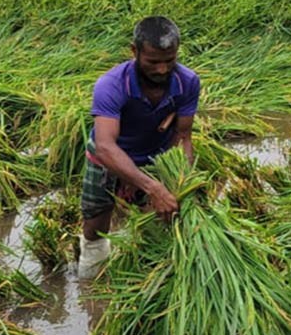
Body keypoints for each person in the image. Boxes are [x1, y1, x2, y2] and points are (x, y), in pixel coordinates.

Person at [78, 16, 200, 278]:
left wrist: (182, 181)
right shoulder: (112, 85)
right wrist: (152, 186)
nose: (162, 70)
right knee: (96, 221)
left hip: (154, 155)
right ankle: (91, 275)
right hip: (108, 157)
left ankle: (142, 274)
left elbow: (183, 136)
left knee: (158, 219)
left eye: (170, 60)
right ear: (134, 51)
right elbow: (105, 146)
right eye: (153, 62)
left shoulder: (187, 82)